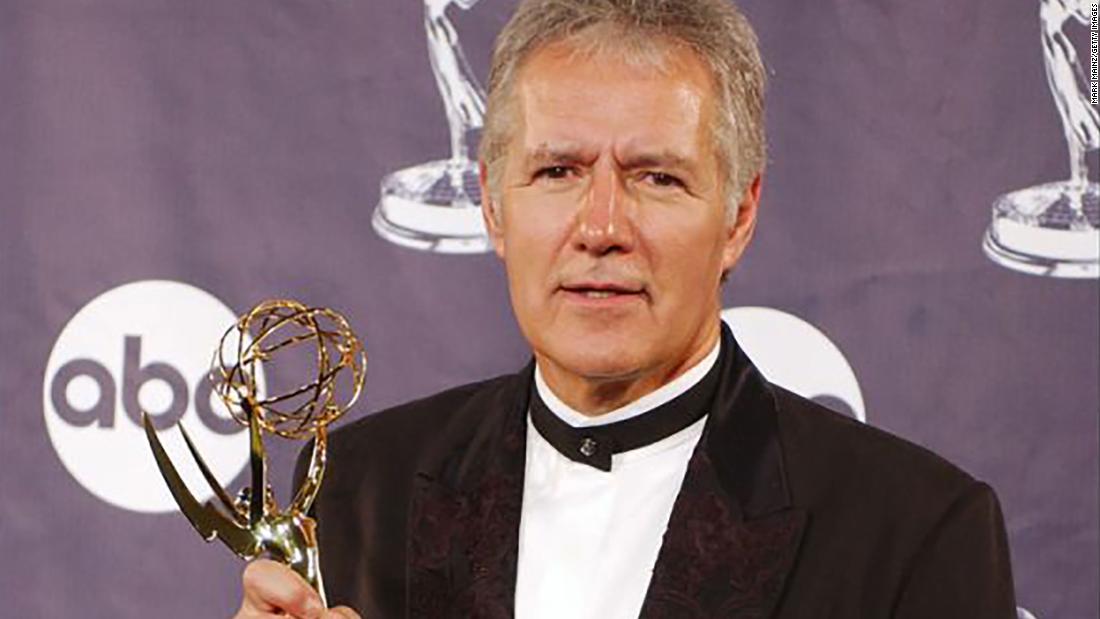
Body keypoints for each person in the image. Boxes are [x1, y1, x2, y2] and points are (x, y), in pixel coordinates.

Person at [235, 0, 1017, 617]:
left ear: (739, 217)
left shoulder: (913, 530)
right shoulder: (361, 489)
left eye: (656, 177)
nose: (602, 227)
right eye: (557, 171)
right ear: (492, 205)